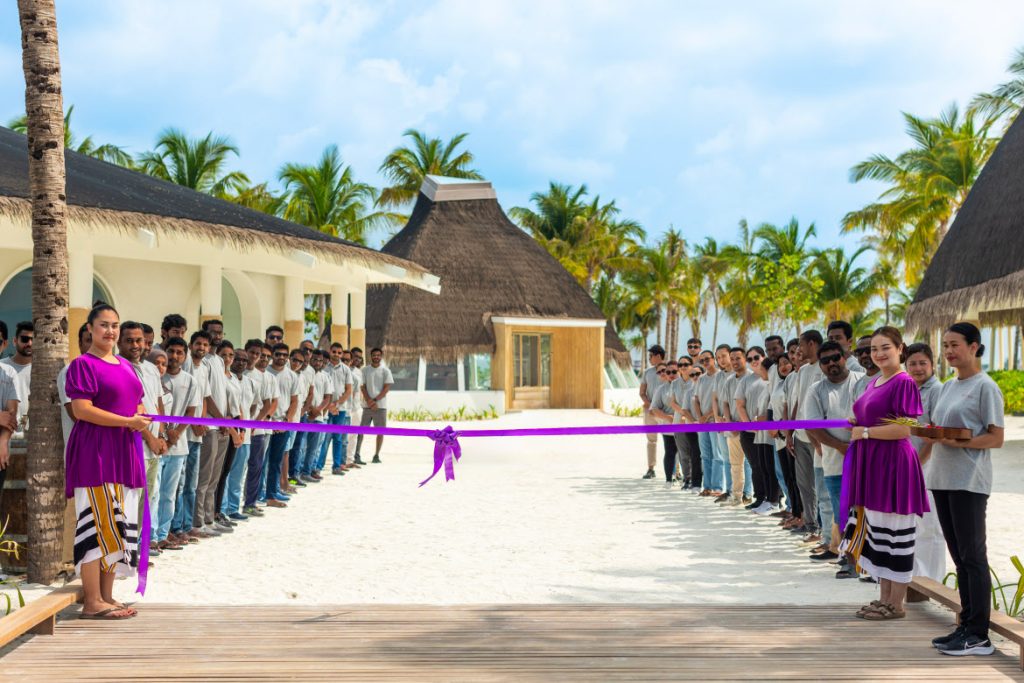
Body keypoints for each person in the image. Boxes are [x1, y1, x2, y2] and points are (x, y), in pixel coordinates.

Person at [921, 323, 1004, 657]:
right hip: (941, 478)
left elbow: (996, 437)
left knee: (973, 556)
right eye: (945, 345)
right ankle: (965, 624)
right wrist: (930, 433)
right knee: (959, 557)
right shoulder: (947, 387)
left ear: (974, 347)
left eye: (955, 344)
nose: (949, 351)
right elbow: (939, 428)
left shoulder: (985, 387)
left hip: (969, 481)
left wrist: (959, 441)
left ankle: (979, 635)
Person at [65, 304, 152, 619]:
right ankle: (91, 601)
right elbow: (81, 410)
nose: (111, 331)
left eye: (114, 325)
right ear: (90, 328)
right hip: (96, 454)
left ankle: (106, 595)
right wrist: (128, 422)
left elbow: (137, 401)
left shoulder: (127, 366)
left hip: (125, 453)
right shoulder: (83, 365)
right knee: (96, 524)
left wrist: (140, 419)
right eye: (104, 325)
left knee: (119, 525)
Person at [840, 326, 928, 621]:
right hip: (873, 463)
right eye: (873, 349)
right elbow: (875, 417)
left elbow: (905, 428)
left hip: (893, 464)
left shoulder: (903, 382)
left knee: (897, 534)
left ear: (900, 348)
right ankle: (884, 599)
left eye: (885, 348)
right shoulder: (875, 381)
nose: (878, 354)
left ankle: (897, 604)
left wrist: (863, 431)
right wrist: (858, 419)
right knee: (878, 533)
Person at [805, 341, 862, 572]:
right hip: (834, 465)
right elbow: (812, 426)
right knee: (842, 512)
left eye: (835, 358)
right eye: (825, 361)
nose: (831, 364)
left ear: (845, 356)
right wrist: (840, 446)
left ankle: (863, 561)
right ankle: (848, 560)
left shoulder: (862, 382)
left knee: (864, 512)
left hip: (865, 462)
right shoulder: (816, 390)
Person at [117, 322, 167, 555]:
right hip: (132, 445)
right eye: (129, 340)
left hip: (154, 447)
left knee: (147, 498)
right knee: (129, 499)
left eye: (139, 340)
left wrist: (162, 435)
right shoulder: (117, 367)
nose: (136, 345)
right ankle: (124, 551)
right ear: (119, 342)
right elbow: (129, 410)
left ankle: (137, 549)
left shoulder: (150, 369)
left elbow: (157, 404)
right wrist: (150, 439)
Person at [904, 342, 946, 584]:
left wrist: (917, 466)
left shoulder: (937, 390)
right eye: (912, 364)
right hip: (909, 466)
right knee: (915, 525)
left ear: (932, 364)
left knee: (931, 527)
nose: (918, 368)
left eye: (922, 363)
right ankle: (917, 579)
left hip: (926, 467)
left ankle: (933, 581)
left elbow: (934, 435)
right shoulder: (907, 388)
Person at [155, 337, 197, 550]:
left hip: (178, 446)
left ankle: (163, 533)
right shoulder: (155, 376)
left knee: (170, 494)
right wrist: (163, 435)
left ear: (185, 356)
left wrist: (176, 433)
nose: (174, 356)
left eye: (180, 352)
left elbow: (191, 411)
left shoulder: (190, 380)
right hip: (156, 445)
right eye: (171, 351)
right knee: (153, 493)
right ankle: (151, 536)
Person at [172, 331, 212, 541]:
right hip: (182, 434)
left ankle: (188, 525)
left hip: (196, 435)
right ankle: (176, 526)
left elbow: (204, 398)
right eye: (198, 344)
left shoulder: (204, 368)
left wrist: (201, 421)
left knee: (191, 484)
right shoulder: (185, 364)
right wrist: (192, 424)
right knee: (179, 484)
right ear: (191, 345)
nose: (202, 348)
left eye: (206, 345)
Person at [789, 330, 823, 542]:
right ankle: (810, 524)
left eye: (800, 345)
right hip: (800, 434)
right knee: (804, 483)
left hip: (818, 437)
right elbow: (798, 401)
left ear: (811, 343)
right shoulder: (802, 372)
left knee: (820, 483)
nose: (798, 350)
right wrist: (791, 430)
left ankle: (821, 529)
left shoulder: (824, 368)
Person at [243, 341, 276, 515]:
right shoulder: (238, 372)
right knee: (239, 468)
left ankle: (250, 502)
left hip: (257, 430)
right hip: (238, 429)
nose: (255, 356)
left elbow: (267, 404)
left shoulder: (262, 376)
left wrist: (255, 423)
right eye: (253, 353)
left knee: (256, 466)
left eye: (258, 353)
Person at [265, 342, 299, 506]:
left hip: (283, 425)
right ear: (273, 355)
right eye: (278, 354)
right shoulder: (265, 372)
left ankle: (272, 492)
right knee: (260, 462)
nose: (281, 357)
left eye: (284, 355)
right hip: (265, 424)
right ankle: (257, 494)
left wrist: (286, 421)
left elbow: (294, 401)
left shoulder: (292, 376)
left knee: (276, 461)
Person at [746, 353, 779, 515]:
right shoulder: (766, 386)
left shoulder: (774, 387)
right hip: (761, 434)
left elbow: (773, 411)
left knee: (771, 468)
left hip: (769, 435)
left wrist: (760, 419)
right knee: (764, 467)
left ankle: (774, 500)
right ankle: (768, 498)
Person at [734, 346, 766, 510]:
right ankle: (760, 497)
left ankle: (774, 499)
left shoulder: (771, 377)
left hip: (769, 431)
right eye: (750, 359)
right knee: (755, 465)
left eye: (756, 357)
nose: (753, 361)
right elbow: (740, 404)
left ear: (763, 357)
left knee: (769, 465)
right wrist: (749, 425)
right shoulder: (746, 380)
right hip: (748, 432)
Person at [720, 347, 752, 506]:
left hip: (751, 429)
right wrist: (729, 421)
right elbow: (725, 403)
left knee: (754, 465)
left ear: (745, 359)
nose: (734, 362)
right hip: (732, 429)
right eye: (732, 359)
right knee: (736, 465)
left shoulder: (753, 378)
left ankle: (752, 496)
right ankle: (737, 497)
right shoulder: (729, 380)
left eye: (738, 358)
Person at [691, 350, 723, 497]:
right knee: (705, 455)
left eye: (707, 359)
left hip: (714, 421)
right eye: (702, 360)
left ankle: (717, 487)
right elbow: (696, 400)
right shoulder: (701, 379)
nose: (705, 362)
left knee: (717, 455)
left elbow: (719, 400)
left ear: (714, 359)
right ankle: (707, 486)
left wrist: (707, 415)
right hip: (702, 423)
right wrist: (700, 417)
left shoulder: (720, 376)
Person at [356, 348, 394, 464]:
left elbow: (386, 388)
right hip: (367, 406)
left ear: (381, 356)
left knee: (380, 432)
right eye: (374, 355)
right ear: (371, 356)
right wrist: (369, 401)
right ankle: (357, 454)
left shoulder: (385, 371)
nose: (376, 357)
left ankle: (376, 455)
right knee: (361, 431)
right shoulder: (365, 370)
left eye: (378, 355)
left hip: (381, 406)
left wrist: (375, 400)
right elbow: (362, 387)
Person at [710, 344, 735, 502]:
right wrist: (716, 417)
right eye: (718, 357)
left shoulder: (738, 375)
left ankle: (745, 492)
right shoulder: (718, 376)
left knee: (740, 459)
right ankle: (729, 490)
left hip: (735, 422)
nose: (721, 360)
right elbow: (715, 398)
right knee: (725, 457)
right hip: (720, 422)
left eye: (723, 356)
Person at [638, 345, 666, 479]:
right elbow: (642, 393)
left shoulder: (670, 371)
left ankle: (675, 472)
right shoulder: (647, 373)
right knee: (651, 441)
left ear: (659, 356)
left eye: (651, 356)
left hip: (666, 412)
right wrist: (650, 406)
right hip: (650, 412)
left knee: (672, 441)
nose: (649, 359)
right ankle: (651, 468)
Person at [648, 362, 677, 487]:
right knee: (670, 451)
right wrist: (668, 418)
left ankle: (687, 480)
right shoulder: (661, 389)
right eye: (668, 372)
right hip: (668, 426)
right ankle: (669, 479)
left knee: (687, 453)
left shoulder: (688, 386)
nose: (670, 374)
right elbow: (654, 409)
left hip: (685, 425)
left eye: (674, 372)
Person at [0, 321, 33, 431]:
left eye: (33, 340)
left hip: (32, 433)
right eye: (24, 339)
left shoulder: (41, 372)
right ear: (14, 341)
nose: (29, 343)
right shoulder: (3, 367)